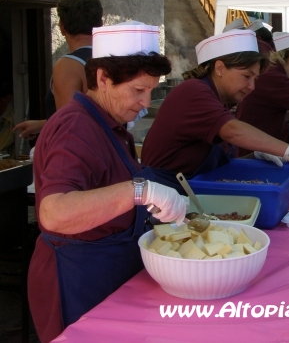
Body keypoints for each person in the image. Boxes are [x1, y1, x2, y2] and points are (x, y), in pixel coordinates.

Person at [28, 23, 188, 343]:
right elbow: (55, 212)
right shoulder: (76, 128)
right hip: (77, 281)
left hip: (109, 271)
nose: (146, 103)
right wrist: (140, 191)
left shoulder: (110, 124)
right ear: (103, 78)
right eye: (138, 90)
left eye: (151, 91)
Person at [142, 30, 289, 182]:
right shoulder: (193, 91)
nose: (252, 87)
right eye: (246, 76)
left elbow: (221, 166)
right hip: (162, 197)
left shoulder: (219, 102)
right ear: (220, 68)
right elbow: (232, 130)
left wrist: (254, 157)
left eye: (255, 79)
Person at [13, 0, 103, 139]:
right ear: (100, 24)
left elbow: (69, 126)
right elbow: (92, 116)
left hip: (83, 155)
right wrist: (43, 124)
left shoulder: (68, 66)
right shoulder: (114, 59)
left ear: (62, 27)